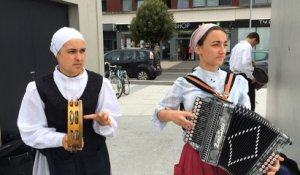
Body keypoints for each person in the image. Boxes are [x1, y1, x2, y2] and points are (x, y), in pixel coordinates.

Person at [152, 24, 282, 175]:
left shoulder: (238, 82)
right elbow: (159, 112)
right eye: (215, 45)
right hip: (196, 159)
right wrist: (172, 115)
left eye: (225, 44)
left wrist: (265, 161)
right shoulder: (185, 83)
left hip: (232, 160)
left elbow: (249, 129)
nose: (222, 50)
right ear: (198, 49)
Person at [17, 27, 121, 175]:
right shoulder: (38, 89)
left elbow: (112, 125)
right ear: (56, 53)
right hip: (56, 162)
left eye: (82, 51)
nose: (79, 57)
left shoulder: (100, 84)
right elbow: (30, 131)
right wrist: (61, 139)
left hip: (93, 161)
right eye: (72, 51)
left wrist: (103, 123)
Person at [229, 32, 260, 111]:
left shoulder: (236, 46)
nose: (253, 46)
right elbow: (245, 63)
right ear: (254, 39)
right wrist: (252, 77)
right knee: (249, 100)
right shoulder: (247, 47)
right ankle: (251, 121)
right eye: (255, 44)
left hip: (234, 75)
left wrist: (250, 62)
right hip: (244, 76)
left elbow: (231, 62)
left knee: (238, 99)